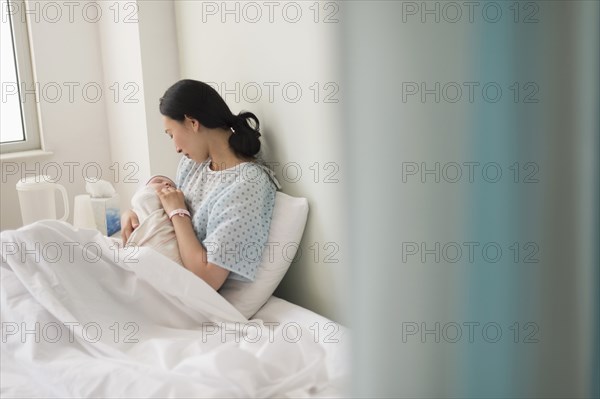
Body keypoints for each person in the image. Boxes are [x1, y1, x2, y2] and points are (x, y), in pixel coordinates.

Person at [121, 79, 281, 292]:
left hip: (185, 296)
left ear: (192, 123)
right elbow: (165, 213)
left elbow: (207, 278)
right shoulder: (193, 165)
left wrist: (178, 213)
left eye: (171, 134)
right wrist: (132, 215)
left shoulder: (249, 185)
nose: (176, 148)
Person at [125, 175, 184, 267]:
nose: (167, 183)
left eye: (173, 185)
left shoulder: (179, 205)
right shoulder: (145, 195)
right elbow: (141, 199)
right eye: (158, 181)